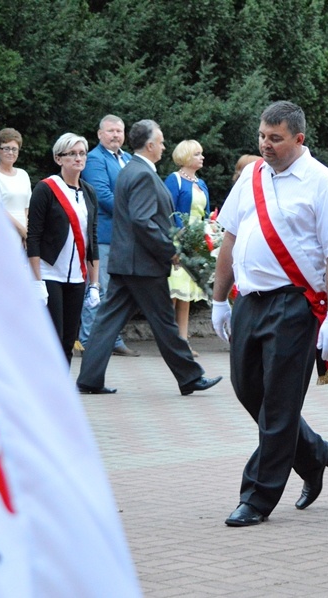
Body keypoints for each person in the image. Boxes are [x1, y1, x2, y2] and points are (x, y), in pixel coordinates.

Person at [211, 101, 328, 526]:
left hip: (294, 303)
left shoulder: (323, 183)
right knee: (247, 389)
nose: (265, 145)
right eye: (262, 137)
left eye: (275, 138)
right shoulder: (252, 176)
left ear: (298, 139)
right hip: (249, 300)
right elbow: (230, 237)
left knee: (280, 402)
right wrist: (218, 299)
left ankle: (257, 496)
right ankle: (312, 453)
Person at [76, 119, 221, 396]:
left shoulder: (132, 169)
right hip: (141, 264)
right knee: (165, 322)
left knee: (107, 322)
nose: (164, 146)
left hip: (128, 262)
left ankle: (89, 379)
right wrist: (172, 251)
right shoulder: (141, 173)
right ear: (151, 144)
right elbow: (143, 221)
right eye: (162, 141)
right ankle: (189, 377)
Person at [26, 133, 101, 364]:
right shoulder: (46, 189)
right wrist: (37, 280)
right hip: (50, 274)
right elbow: (34, 236)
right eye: (72, 154)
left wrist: (95, 284)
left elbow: (92, 239)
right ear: (59, 159)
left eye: (82, 153)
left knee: (69, 340)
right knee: (53, 338)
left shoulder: (88, 192)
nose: (78, 159)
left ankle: (62, 394)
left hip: (78, 277)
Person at [79, 115, 139, 357]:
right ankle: (88, 341)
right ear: (100, 134)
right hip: (104, 235)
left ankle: (113, 339)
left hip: (125, 237)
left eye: (119, 131)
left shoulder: (127, 159)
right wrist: (136, 213)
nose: (116, 135)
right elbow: (102, 195)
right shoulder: (94, 159)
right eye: (111, 131)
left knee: (117, 293)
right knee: (98, 289)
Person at [164, 140, 210, 357]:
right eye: (197, 154)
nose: (202, 157)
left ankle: (182, 341)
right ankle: (168, 341)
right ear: (186, 156)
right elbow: (168, 209)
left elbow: (206, 214)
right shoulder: (174, 180)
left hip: (196, 242)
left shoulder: (201, 184)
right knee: (173, 292)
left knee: (187, 295)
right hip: (178, 240)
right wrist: (180, 236)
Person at [0, 127, 32, 244]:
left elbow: (26, 207)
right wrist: (21, 229)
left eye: (14, 149)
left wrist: (27, 232)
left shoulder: (23, 174)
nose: (10, 153)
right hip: (3, 232)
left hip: (24, 235)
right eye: (6, 148)